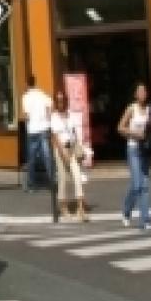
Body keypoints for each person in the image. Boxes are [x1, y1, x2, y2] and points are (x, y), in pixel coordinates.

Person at [118, 83, 151, 231]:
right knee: (137, 185)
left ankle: (145, 220)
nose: (143, 93)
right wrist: (135, 134)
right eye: (140, 91)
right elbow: (120, 127)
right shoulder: (131, 109)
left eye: (144, 90)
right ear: (135, 94)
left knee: (144, 186)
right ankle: (126, 211)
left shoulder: (149, 110)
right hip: (133, 148)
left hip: (145, 150)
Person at [50, 91, 88, 222]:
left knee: (77, 176)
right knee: (63, 178)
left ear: (66, 101)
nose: (61, 103)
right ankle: (63, 207)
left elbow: (74, 133)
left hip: (72, 148)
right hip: (61, 150)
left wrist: (78, 148)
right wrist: (63, 153)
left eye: (62, 100)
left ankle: (80, 208)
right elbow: (55, 137)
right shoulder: (54, 117)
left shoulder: (70, 114)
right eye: (58, 100)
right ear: (56, 102)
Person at [21, 75, 55, 192]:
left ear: (27, 84)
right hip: (44, 128)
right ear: (35, 83)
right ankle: (52, 182)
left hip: (32, 129)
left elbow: (27, 115)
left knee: (31, 158)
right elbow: (51, 104)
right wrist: (48, 118)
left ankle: (32, 184)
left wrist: (28, 122)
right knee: (47, 156)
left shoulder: (25, 97)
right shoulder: (42, 94)